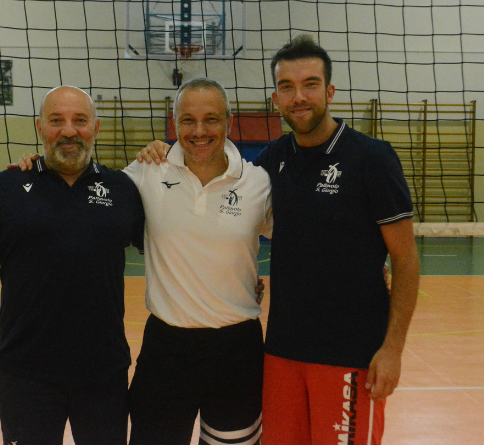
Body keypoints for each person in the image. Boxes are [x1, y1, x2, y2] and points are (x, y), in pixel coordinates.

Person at [140, 36, 420, 445]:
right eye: (287, 87)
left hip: (350, 355)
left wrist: (392, 349)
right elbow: (237, 225)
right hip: (281, 354)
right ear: (275, 98)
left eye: (309, 84)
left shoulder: (371, 159)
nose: (299, 97)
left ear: (330, 91)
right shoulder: (269, 163)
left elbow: (406, 260)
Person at [13, 78, 272, 445]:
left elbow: (302, 243)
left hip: (237, 348)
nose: (199, 131)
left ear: (229, 122)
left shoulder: (258, 183)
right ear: (174, 121)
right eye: (188, 120)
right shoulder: (146, 172)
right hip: (167, 349)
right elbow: (80, 187)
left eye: (211, 119)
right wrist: (39, 168)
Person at [0, 86, 145, 445]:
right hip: (26, 375)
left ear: (96, 127)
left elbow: (173, 254)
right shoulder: (5, 187)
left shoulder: (123, 189)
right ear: (40, 127)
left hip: (104, 373)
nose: (69, 131)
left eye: (80, 121)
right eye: (57, 121)